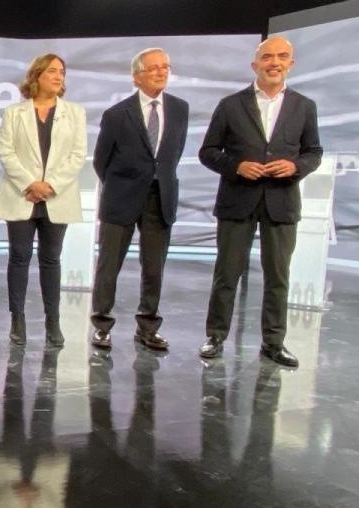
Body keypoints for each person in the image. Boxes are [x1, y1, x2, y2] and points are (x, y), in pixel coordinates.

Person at [198, 36, 322, 368]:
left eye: (282, 57)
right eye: (267, 57)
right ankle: (215, 336)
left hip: (281, 202)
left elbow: (314, 152)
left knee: (278, 277)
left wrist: (296, 166)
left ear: (291, 63)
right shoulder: (230, 105)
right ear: (255, 65)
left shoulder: (304, 106)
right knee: (227, 274)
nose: (274, 63)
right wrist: (236, 166)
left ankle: (274, 342)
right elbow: (208, 151)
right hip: (237, 199)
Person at [89, 48, 189, 351]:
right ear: (136, 77)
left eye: (165, 67)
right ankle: (102, 325)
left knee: (154, 267)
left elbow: (173, 154)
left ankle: (148, 326)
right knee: (109, 266)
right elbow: (101, 161)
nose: (161, 72)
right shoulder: (117, 114)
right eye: (154, 68)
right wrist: (124, 184)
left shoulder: (180, 109)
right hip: (121, 198)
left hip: (161, 198)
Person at [0, 53, 87, 347]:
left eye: (62, 72)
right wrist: (30, 184)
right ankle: (17, 320)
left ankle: (53, 322)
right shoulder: (14, 113)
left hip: (55, 197)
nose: (59, 76)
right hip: (22, 195)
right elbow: (6, 152)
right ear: (37, 76)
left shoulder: (75, 113)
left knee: (51, 259)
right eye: (52, 71)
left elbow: (77, 155)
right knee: (19, 257)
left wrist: (50, 186)